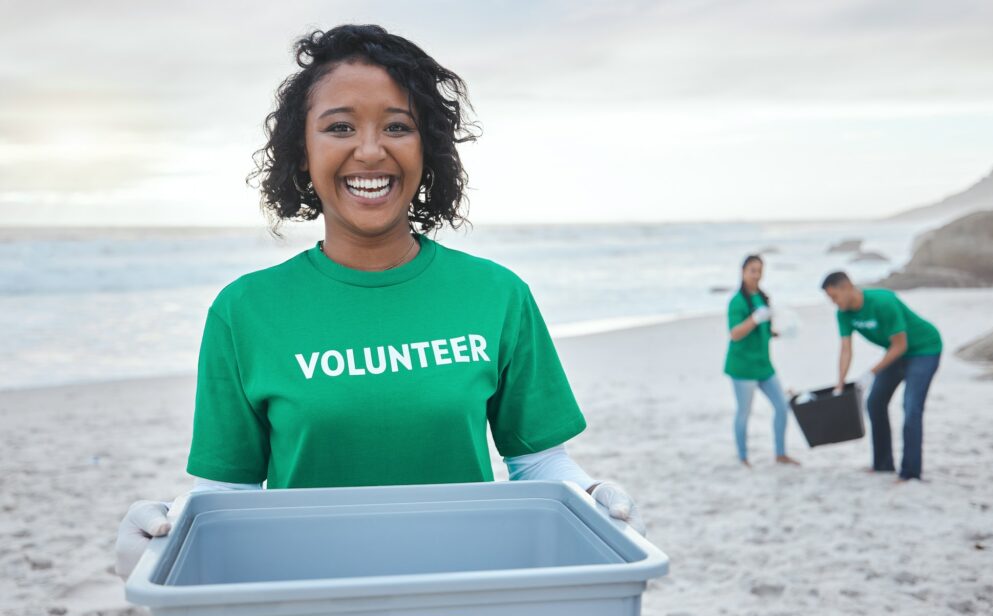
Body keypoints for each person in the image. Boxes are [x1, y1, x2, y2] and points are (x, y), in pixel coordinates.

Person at [115, 24, 644, 578]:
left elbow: (535, 462)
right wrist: (165, 533)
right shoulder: (244, 310)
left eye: (398, 126)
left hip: (469, 595)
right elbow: (228, 493)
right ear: (302, 152)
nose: (370, 150)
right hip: (304, 600)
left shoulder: (497, 294)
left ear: (426, 150)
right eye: (339, 126)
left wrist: (591, 495)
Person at [821, 271, 942, 481]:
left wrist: (870, 373)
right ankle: (883, 465)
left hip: (924, 349)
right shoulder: (843, 313)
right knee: (875, 403)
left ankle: (910, 473)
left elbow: (900, 345)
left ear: (847, 287)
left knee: (911, 407)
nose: (833, 303)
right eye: (830, 299)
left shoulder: (883, 302)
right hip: (896, 354)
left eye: (834, 297)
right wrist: (839, 385)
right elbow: (846, 350)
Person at [723, 255, 800, 468]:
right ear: (743, 272)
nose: (756, 275)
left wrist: (779, 332)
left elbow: (764, 329)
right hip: (743, 367)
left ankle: (781, 453)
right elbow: (735, 333)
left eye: (759, 270)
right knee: (744, 412)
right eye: (752, 270)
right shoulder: (737, 302)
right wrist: (755, 318)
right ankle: (743, 457)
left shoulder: (763, 297)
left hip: (764, 366)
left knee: (782, 407)